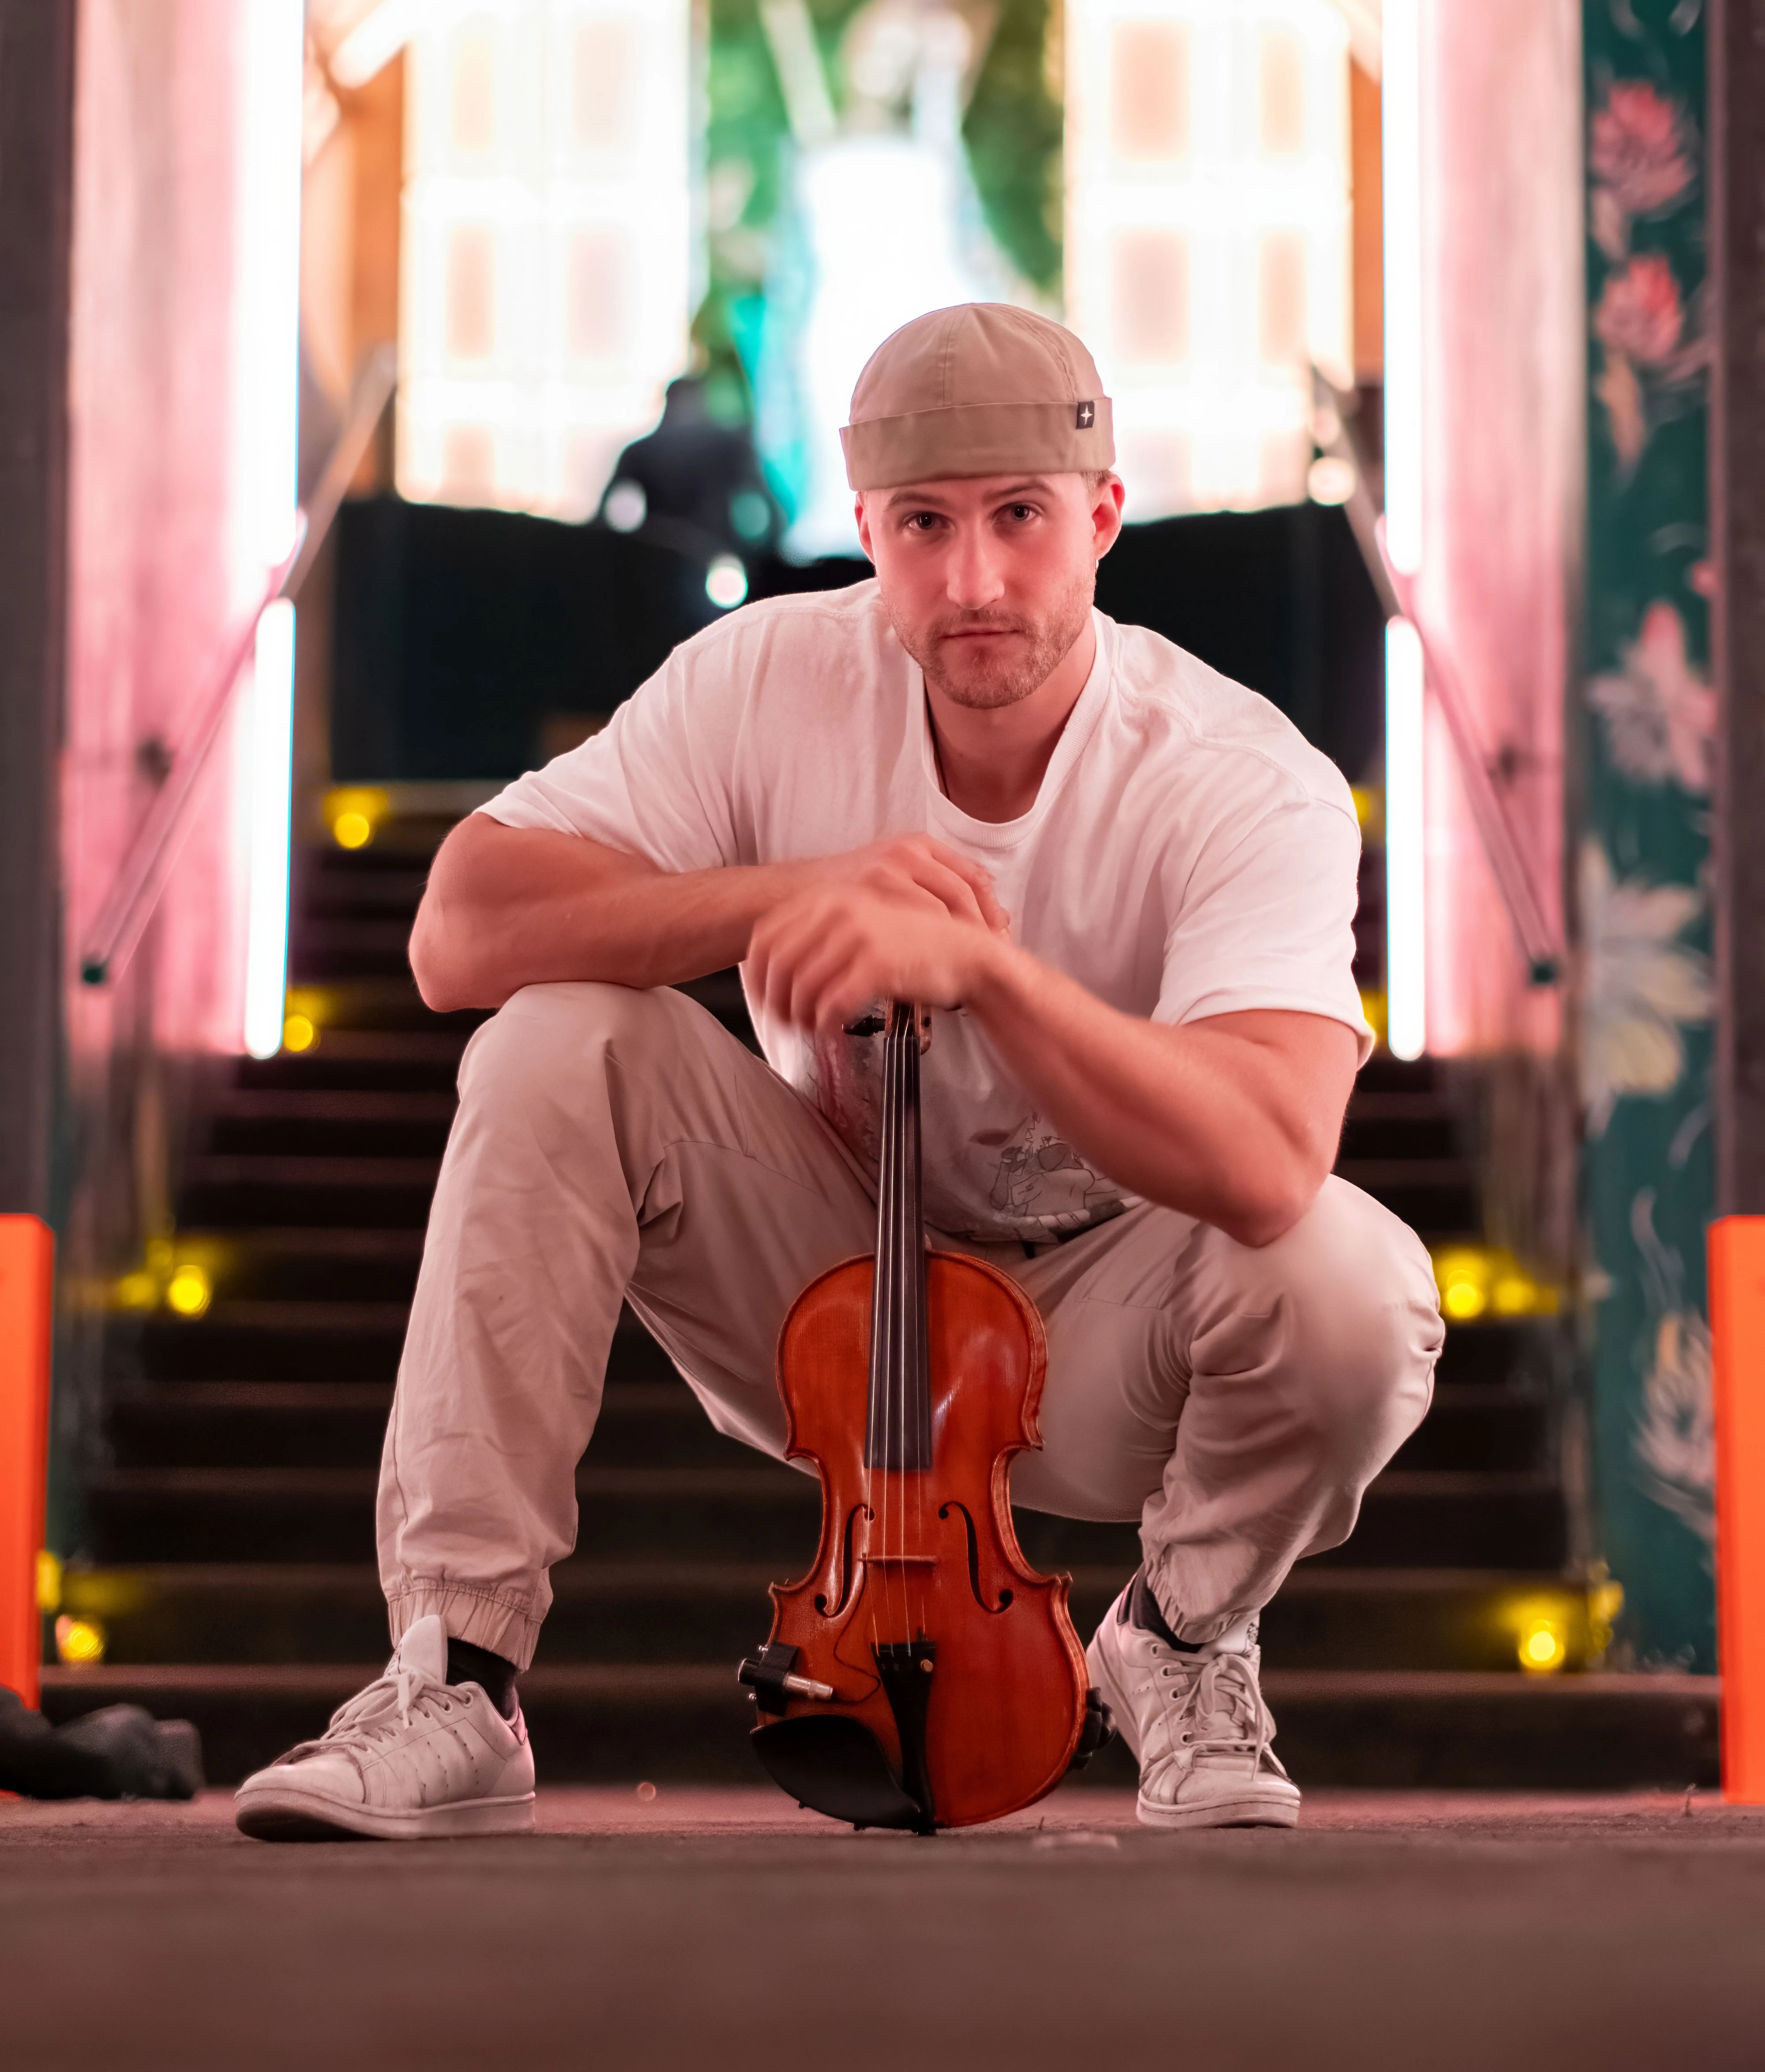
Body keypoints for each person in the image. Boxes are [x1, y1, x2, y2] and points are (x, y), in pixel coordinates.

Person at [234, 302, 1443, 1844]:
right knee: (551, 1036)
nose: (976, 578)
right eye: (926, 527)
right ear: (866, 528)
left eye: (1020, 518)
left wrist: (992, 976)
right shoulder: (766, 679)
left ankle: (1185, 1641)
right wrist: (789, 892)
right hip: (829, 1306)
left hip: (1106, 1329)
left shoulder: (1235, 770)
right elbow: (456, 932)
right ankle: (457, 1676)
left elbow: (1273, 1160)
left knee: (1361, 1282)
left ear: (1104, 517)